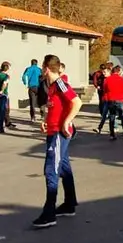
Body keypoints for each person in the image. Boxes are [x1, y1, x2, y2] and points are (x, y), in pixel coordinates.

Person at [32, 54, 83, 229]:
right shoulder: (51, 87)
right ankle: (69, 204)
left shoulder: (60, 84)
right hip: (53, 130)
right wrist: (47, 121)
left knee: (51, 170)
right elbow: (55, 107)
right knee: (63, 168)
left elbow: (76, 102)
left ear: (46, 68)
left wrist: (67, 122)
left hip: (59, 134)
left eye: (42, 69)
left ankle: (49, 213)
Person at [103, 65, 123, 141]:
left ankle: (112, 135)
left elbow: (105, 89)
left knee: (112, 117)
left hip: (111, 100)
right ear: (118, 71)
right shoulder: (121, 79)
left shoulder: (108, 79)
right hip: (120, 100)